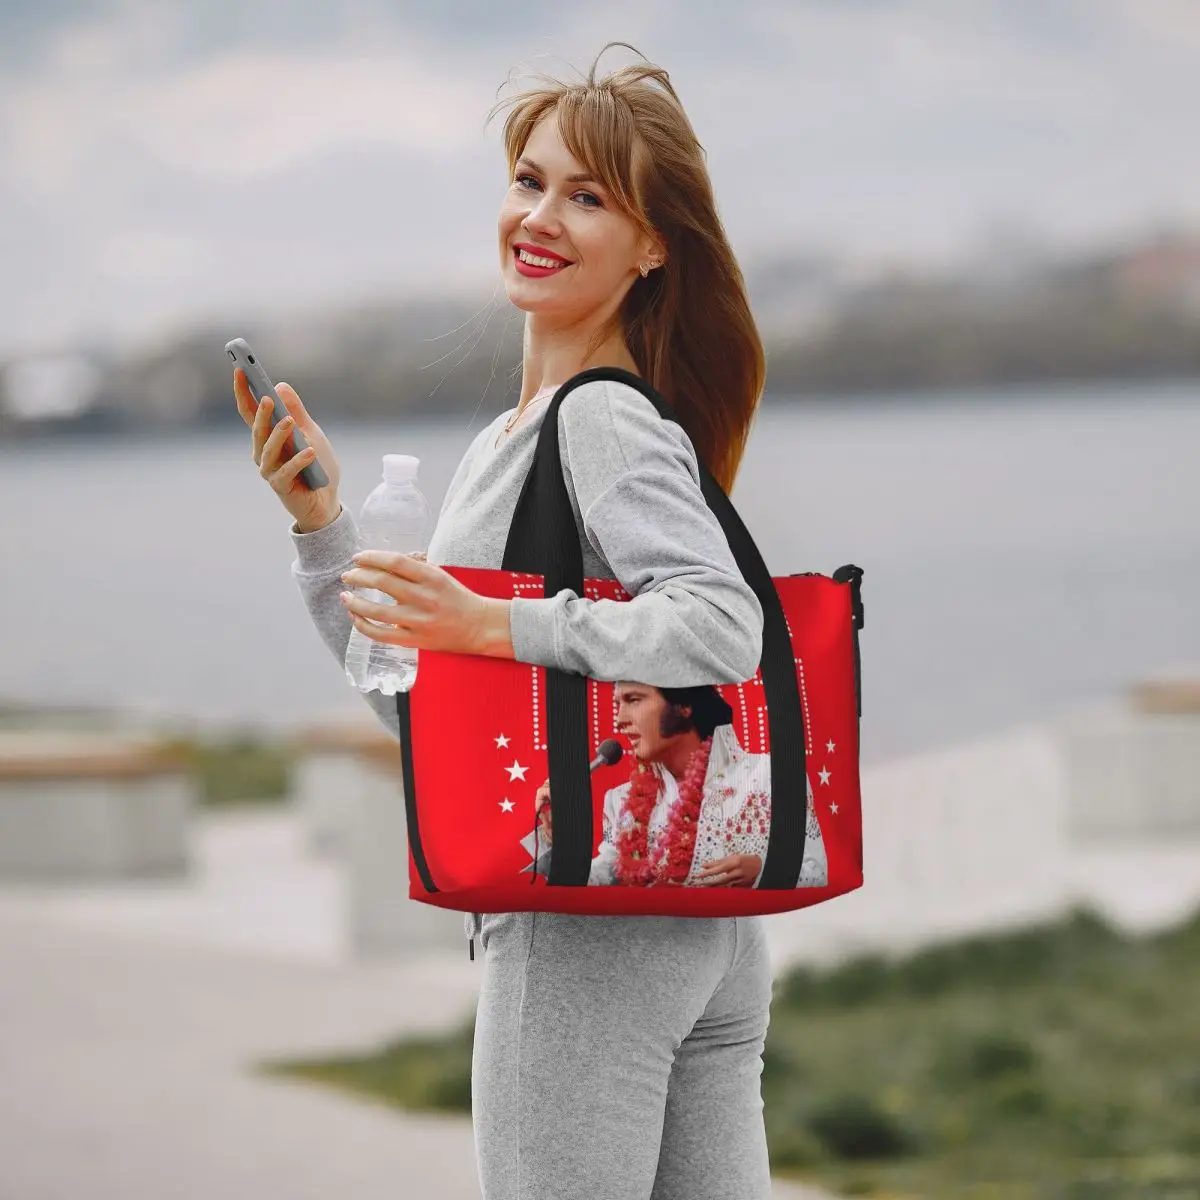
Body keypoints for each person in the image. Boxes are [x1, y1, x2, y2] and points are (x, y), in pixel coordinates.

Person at [235, 42, 779, 1200]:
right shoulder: (518, 440)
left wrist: (499, 628)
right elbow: (421, 704)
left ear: (652, 246)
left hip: (585, 934)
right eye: (528, 180)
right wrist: (323, 527)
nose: (539, 215)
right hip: (698, 924)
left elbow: (721, 627)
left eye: (588, 196)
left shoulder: (600, 424)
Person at [522, 682, 828, 889]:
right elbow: (603, 882)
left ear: (683, 704)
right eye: (617, 704)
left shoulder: (771, 774)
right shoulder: (623, 800)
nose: (619, 720)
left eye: (633, 700)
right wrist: (556, 839)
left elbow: (817, 872)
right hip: (650, 960)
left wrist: (761, 871)